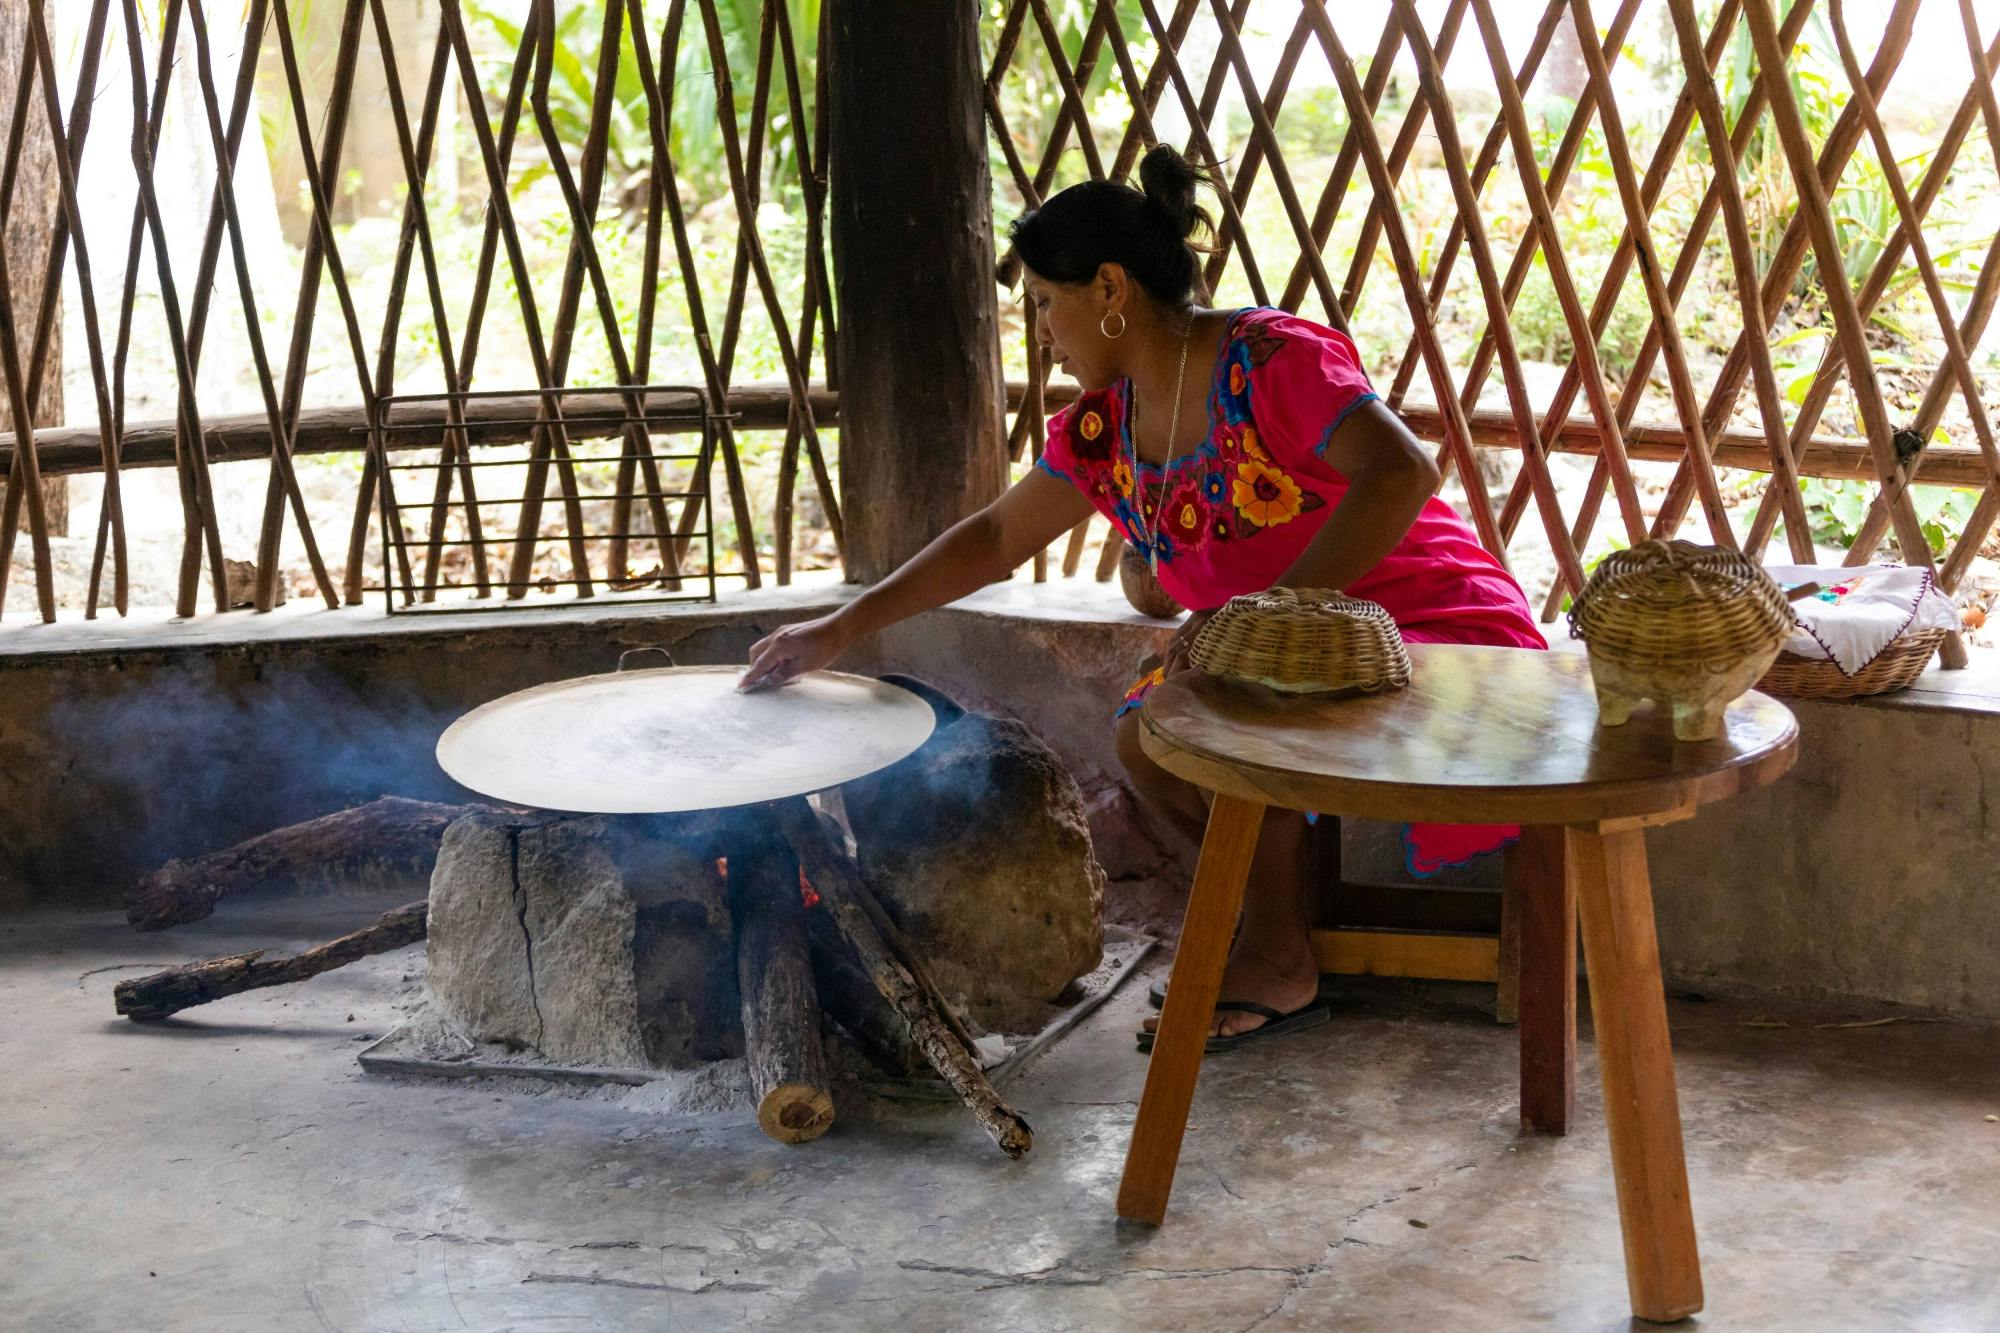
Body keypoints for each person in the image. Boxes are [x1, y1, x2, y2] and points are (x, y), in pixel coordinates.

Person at [740, 145, 1546, 1048]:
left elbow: (1402, 470)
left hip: (1434, 626)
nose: (1043, 331)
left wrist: (1261, 621)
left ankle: (1274, 952)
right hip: (1276, 656)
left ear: (1111, 289)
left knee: (1228, 718)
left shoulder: (1270, 361)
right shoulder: (1106, 426)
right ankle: (1278, 937)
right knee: (1150, 734)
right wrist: (842, 627)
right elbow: (999, 537)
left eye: (1048, 302)